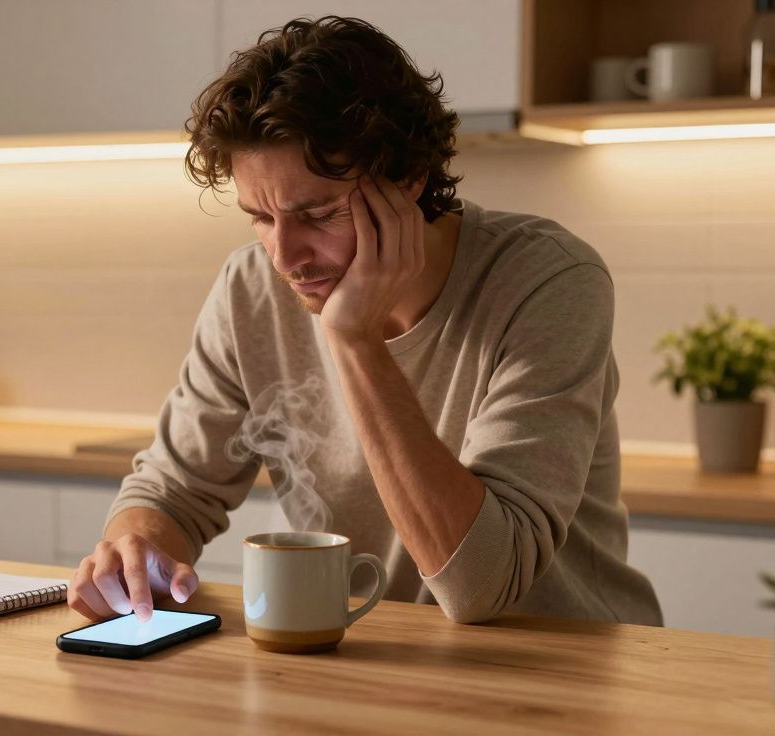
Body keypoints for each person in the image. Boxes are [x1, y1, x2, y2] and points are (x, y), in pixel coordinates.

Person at [68, 16, 663, 627]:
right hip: (370, 658)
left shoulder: (547, 281)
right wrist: (135, 545)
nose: (285, 257)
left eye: (318, 213)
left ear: (408, 179)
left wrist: (353, 339)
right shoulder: (250, 287)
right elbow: (175, 489)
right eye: (261, 218)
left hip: (562, 670)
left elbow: (482, 583)